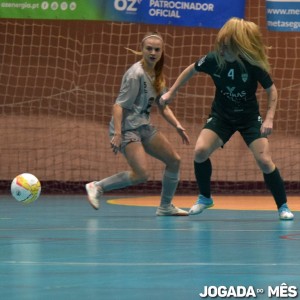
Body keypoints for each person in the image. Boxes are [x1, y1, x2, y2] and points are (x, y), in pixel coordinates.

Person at [160, 17, 294, 220]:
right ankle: (205, 198)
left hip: (249, 119)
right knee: (200, 151)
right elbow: (191, 69)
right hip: (222, 116)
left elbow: (272, 90)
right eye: (220, 45)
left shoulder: (251, 63)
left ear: (236, 47)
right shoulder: (214, 60)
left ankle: (283, 206)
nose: (220, 49)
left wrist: (269, 118)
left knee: (265, 161)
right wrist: (171, 93)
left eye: (225, 46)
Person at [85, 32, 190, 216]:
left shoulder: (157, 74)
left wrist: (177, 125)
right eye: (149, 48)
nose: (153, 52)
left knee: (174, 160)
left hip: (144, 126)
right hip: (127, 129)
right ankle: (97, 186)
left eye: (157, 49)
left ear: (161, 51)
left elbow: (163, 106)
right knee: (141, 174)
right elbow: (118, 106)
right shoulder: (136, 74)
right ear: (142, 50)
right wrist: (117, 133)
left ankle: (165, 207)